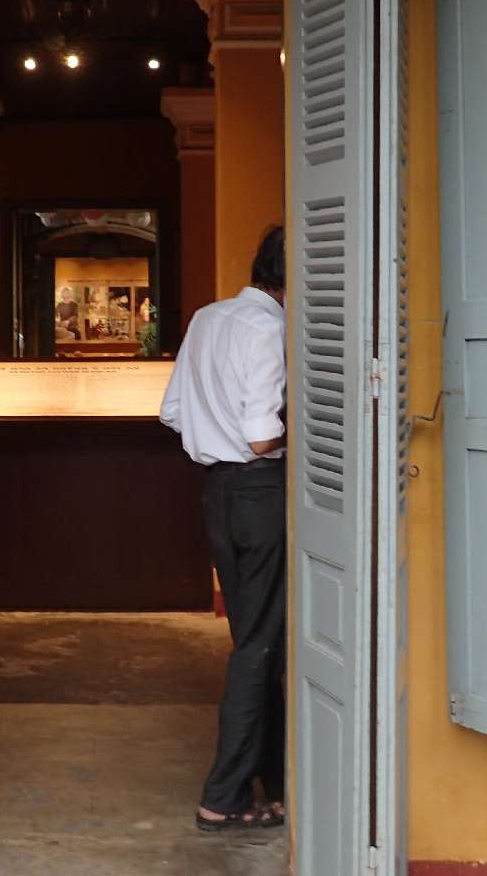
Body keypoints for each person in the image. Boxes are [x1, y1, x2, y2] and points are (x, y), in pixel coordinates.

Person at [159, 225, 287, 833]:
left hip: (219, 494)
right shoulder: (268, 329)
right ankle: (225, 795)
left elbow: (172, 411)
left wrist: (217, 435)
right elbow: (262, 436)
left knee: (257, 641)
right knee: (258, 648)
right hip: (262, 492)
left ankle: (278, 781)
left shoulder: (208, 318)